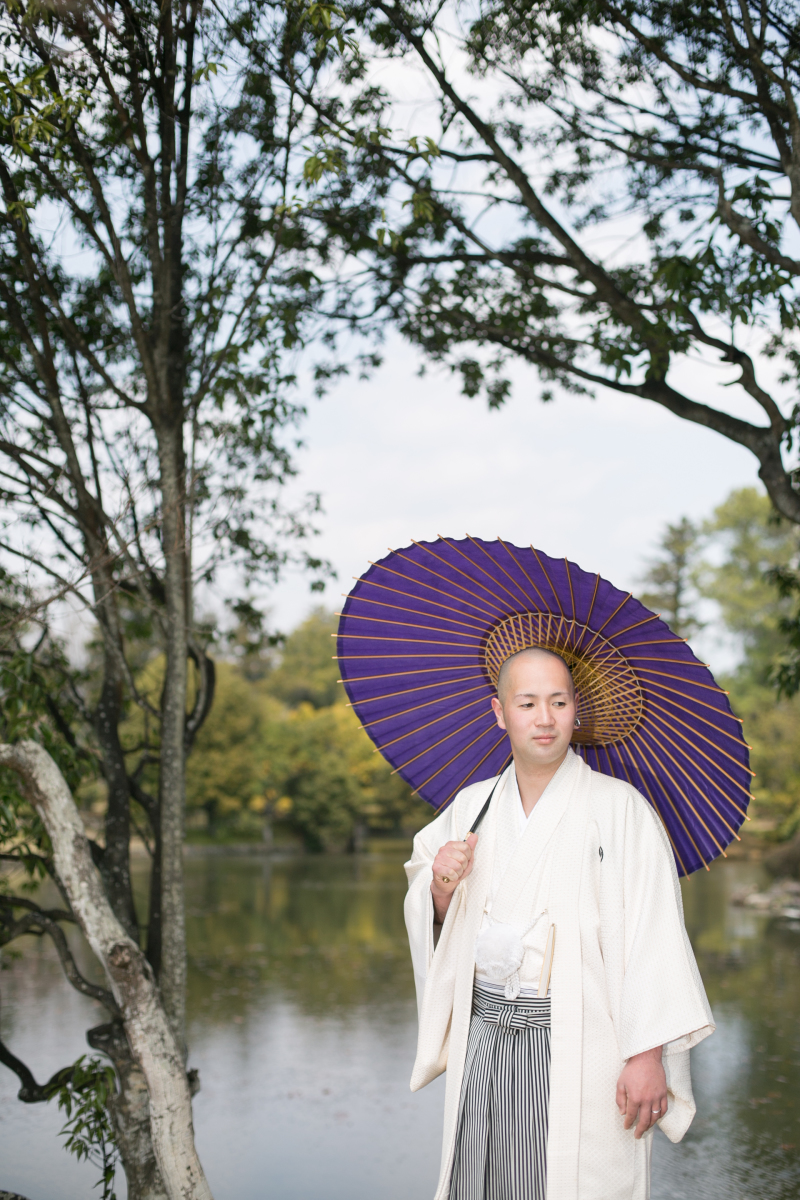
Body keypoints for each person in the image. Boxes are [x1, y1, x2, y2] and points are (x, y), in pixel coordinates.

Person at [404, 646, 714, 1200]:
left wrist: (647, 1055)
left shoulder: (622, 809)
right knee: (484, 1178)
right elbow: (436, 921)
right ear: (500, 712)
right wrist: (439, 886)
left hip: (586, 1036)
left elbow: (654, 934)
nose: (543, 718)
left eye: (558, 701)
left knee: (580, 1178)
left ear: (577, 709)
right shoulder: (471, 808)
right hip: (487, 1032)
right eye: (526, 703)